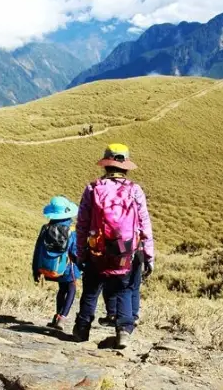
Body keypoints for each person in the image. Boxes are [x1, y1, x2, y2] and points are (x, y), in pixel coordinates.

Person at [73, 143, 154, 349]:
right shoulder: (135, 190)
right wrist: (149, 256)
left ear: (106, 164)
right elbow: (144, 224)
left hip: (96, 249)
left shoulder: (92, 189)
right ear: (125, 166)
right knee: (124, 289)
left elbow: (82, 224)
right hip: (126, 250)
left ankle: (82, 329)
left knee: (91, 289)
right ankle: (124, 331)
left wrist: (81, 253)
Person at [32, 196, 82, 331]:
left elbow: (37, 249)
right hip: (68, 267)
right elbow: (74, 251)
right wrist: (82, 265)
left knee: (61, 290)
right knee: (71, 289)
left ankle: (56, 316)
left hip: (53, 266)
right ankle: (62, 318)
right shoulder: (71, 230)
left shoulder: (45, 228)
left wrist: (35, 270)